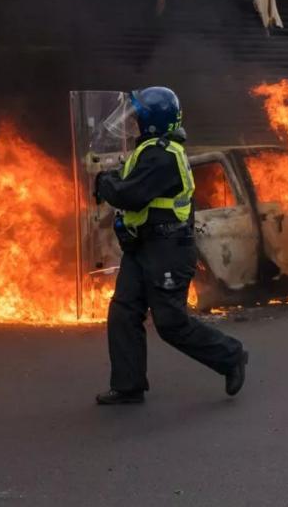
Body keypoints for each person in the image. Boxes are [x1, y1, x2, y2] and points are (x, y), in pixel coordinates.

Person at [93, 86, 248, 405]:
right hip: (142, 246)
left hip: (168, 250)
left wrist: (103, 182)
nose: (132, 120)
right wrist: (111, 180)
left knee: (170, 323)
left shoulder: (162, 155)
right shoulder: (150, 150)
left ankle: (231, 356)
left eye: (138, 115)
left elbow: (129, 194)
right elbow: (126, 182)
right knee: (124, 311)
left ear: (152, 121)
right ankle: (128, 385)